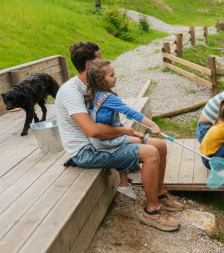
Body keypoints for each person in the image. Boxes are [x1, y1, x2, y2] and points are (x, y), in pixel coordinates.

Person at [55, 41, 182, 232]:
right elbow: (93, 131)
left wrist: (127, 130)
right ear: (91, 66)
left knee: (160, 146)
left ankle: (159, 193)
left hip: (103, 141)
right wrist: (126, 131)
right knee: (151, 153)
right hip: (87, 150)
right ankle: (152, 211)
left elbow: (107, 120)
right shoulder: (71, 91)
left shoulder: (95, 87)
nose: (107, 62)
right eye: (102, 59)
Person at [85, 59, 162, 200]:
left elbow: (112, 123)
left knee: (134, 140)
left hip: (99, 139)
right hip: (104, 141)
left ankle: (125, 183)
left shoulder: (94, 94)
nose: (116, 78)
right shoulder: (108, 98)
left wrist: (127, 130)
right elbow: (131, 112)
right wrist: (151, 125)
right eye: (112, 75)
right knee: (136, 142)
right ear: (101, 80)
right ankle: (131, 172)